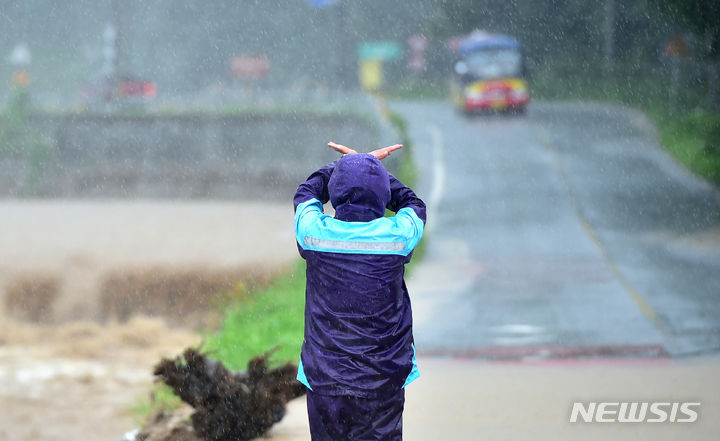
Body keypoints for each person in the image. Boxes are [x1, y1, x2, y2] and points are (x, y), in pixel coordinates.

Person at [293, 141, 426, 441]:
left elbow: (305, 193)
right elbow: (413, 204)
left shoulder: (315, 235)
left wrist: (343, 168)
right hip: (383, 383)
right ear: (382, 195)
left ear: (337, 193)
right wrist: (374, 172)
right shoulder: (397, 238)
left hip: (325, 381)